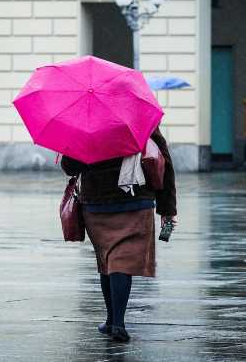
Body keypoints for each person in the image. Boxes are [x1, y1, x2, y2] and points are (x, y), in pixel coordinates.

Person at [61, 128, 177, 343]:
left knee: (107, 260)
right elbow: (164, 161)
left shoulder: (85, 121)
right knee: (120, 261)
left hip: (96, 203)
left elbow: (70, 166)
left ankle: (112, 320)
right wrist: (167, 209)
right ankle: (118, 323)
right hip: (135, 199)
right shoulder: (140, 118)